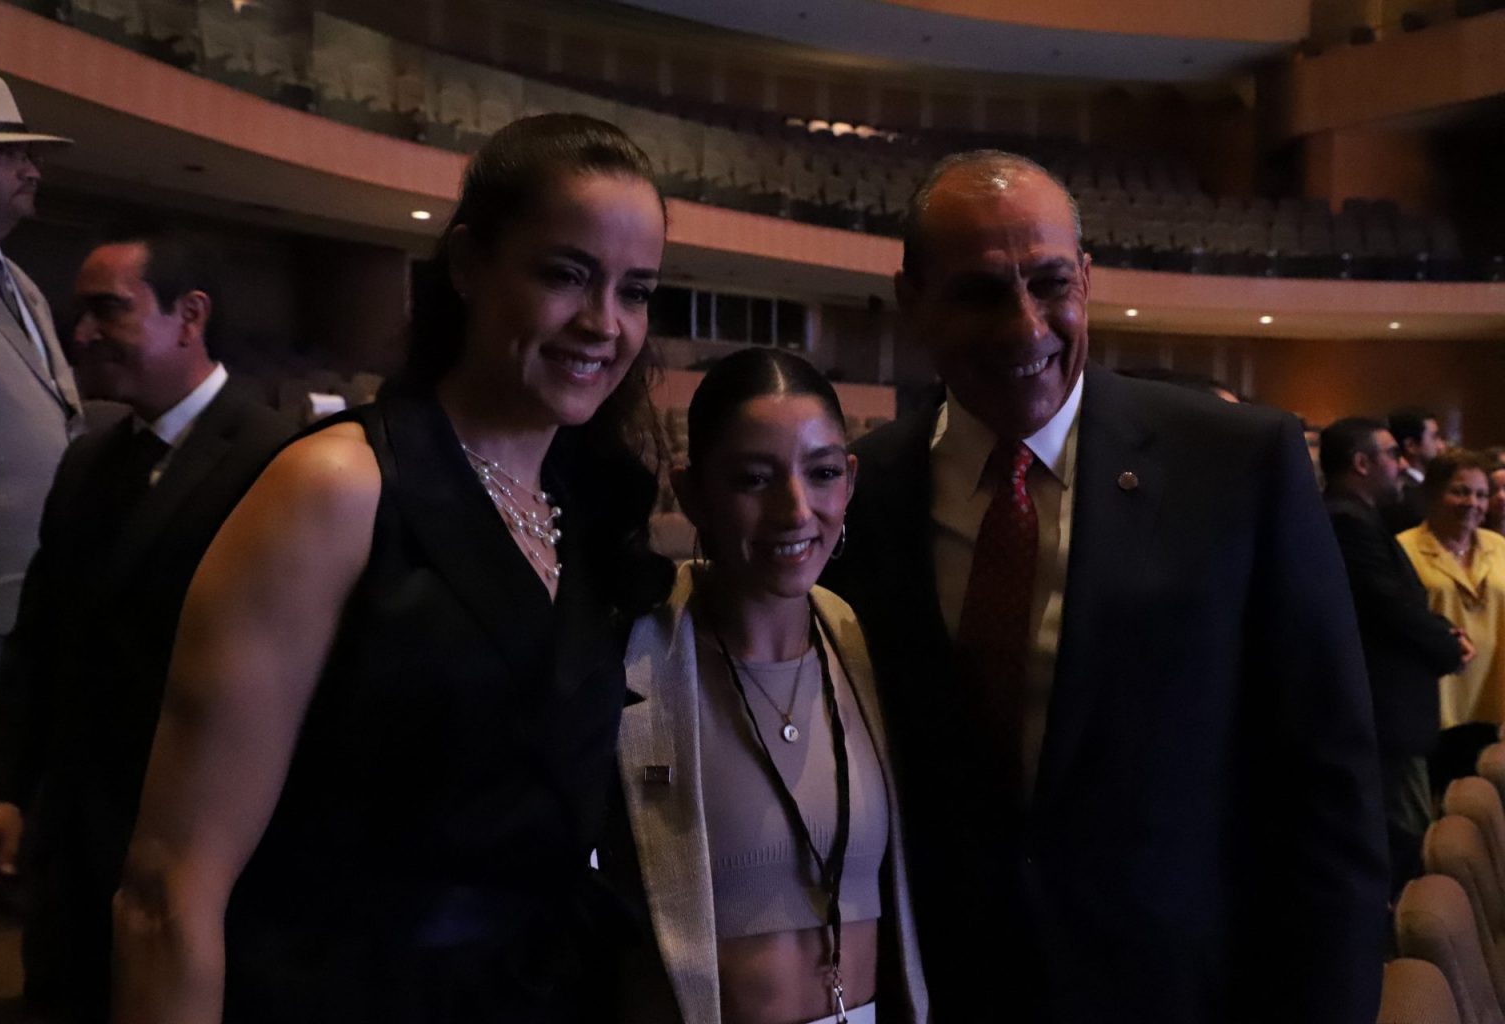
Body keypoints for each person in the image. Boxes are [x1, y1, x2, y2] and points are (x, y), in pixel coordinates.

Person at [111, 114, 672, 1024]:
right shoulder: (336, 488)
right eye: (566, 275)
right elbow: (168, 887)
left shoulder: (594, 508)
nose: (604, 324)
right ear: (468, 266)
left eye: (635, 291)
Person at [823, 149, 1387, 1024]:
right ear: (912, 300)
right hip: (942, 995)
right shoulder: (855, 495)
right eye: (981, 292)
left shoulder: (1237, 466)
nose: (1025, 328)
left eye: (1051, 284)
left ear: (1086, 279)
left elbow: (1328, 785)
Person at [0, 228, 295, 1023]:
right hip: (71, 847)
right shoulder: (88, 461)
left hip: (194, 852)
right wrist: (5, 790)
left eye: (108, 309)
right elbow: (39, 636)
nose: (81, 333)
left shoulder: (278, 460)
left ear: (190, 316)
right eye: (80, 312)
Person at [608, 348, 929, 1024]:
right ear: (692, 492)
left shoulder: (865, 646)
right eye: (754, 479)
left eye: (822, 473)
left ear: (850, 481)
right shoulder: (637, 658)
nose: (796, 509)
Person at [0, 71, 81, 813]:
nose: (32, 169)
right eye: (8, 154)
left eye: (30, 154)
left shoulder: (22, 283)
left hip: (41, 603)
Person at [1320, 417, 1470, 898]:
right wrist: (1447, 645)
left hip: (1392, 707)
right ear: (1361, 464)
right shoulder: (1347, 521)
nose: (1402, 465)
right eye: (1390, 455)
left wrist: (1443, 632)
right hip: (1385, 709)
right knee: (1408, 844)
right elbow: (1388, 609)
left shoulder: (1359, 517)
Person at [1398, 449, 1505, 788]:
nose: (1472, 503)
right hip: (1436, 700)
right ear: (1433, 493)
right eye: (1460, 491)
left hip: (1494, 694)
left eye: (1481, 495)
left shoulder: (1498, 545)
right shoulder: (1404, 549)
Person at [1383, 406, 1444, 534]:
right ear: (1411, 445)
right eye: (1434, 437)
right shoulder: (1403, 494)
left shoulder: (1425, 487)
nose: (1442, 446)